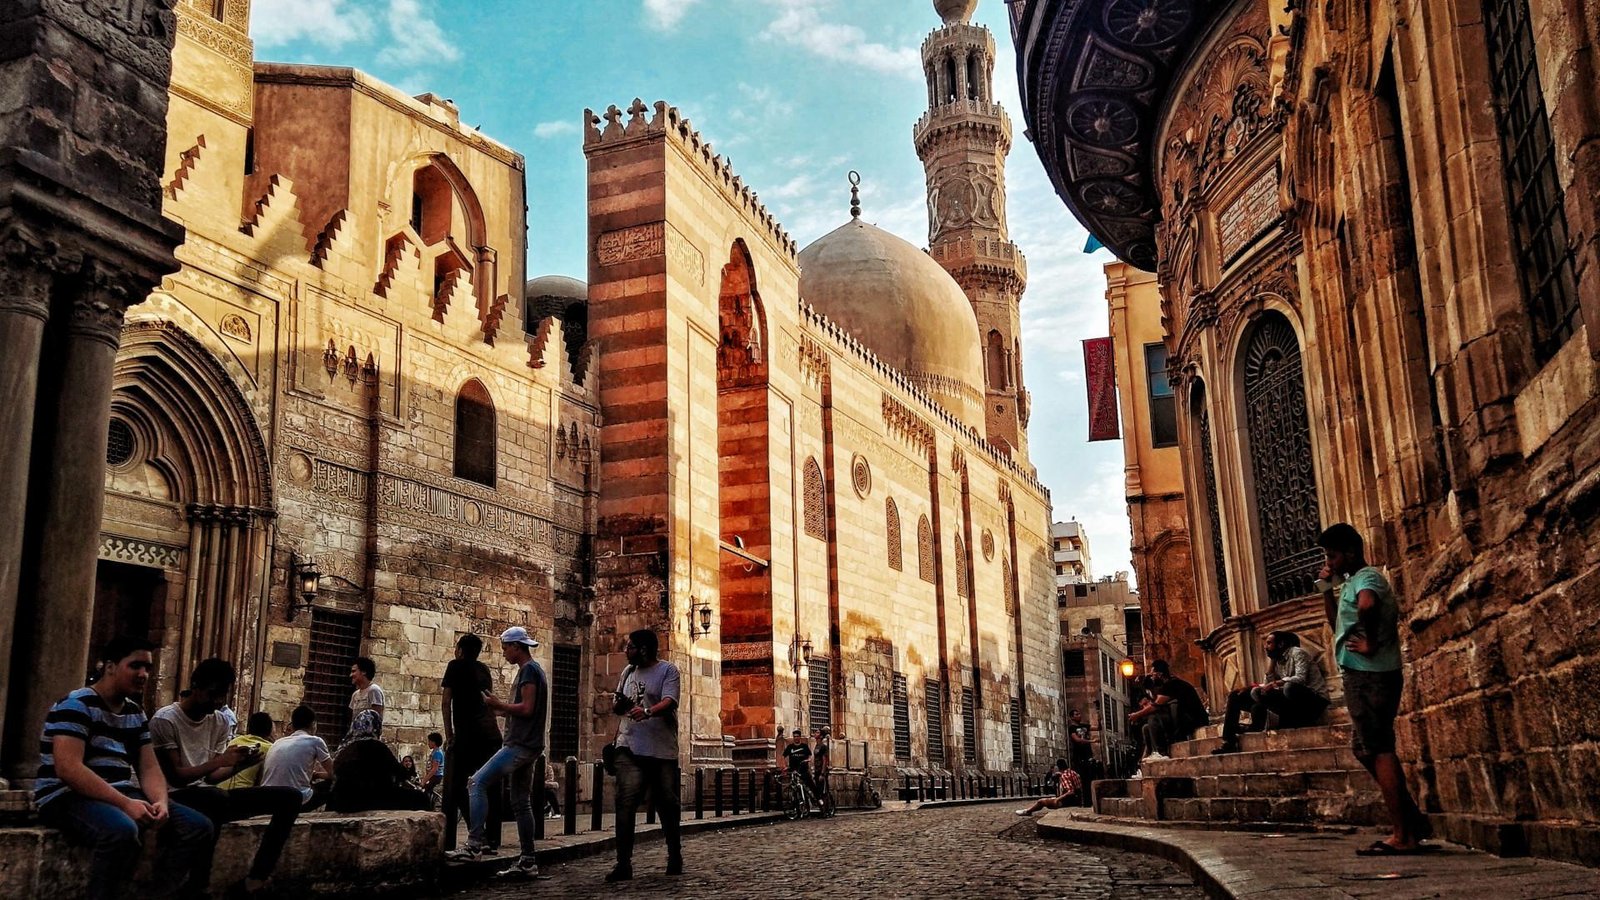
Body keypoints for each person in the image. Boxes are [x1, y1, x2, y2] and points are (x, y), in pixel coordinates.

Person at [34, 636, 214, 900]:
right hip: (67, 795)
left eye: (148, 668)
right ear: (109, 666)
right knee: (121, 831)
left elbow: (149, 768)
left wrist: (161, 802)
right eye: (135, 666)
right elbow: (68, 768)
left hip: (119, 794)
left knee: (198, 826)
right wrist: (125, 804)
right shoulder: (76, 705)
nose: (143, 674)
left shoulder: (134, 713)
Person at [1319, 523, 1433, 856]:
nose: (1330, 562)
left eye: (1333, 556)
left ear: (1350, 553)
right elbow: (1336, 625)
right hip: (1362, 674)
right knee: (1364, 748)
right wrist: (1326, 588)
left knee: (1379, 748)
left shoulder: (1367, 578)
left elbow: (1368, 605)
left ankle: (1403, 835)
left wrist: (1369, 640)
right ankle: (1412, 822)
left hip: (1370, 674)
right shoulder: (1351, 582)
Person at [150, 658, 305, 896]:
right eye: (213, 694)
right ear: (195, 686)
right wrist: (221, 761)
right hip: (175, 796)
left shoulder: (219, 719)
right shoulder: (165, 719)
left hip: (209, 794)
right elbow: (178, 777)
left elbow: (212, 777)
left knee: (291, 797)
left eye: (223, 695)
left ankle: (255, 879)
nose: (218, 701)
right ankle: (198, 884)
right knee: (215, 799)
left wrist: (239, 765)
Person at [444, 626, 550, 881]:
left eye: (505, 648)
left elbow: (526, 708)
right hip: (529, 743)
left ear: (516, 647)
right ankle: (527, 861)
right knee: (521, 803)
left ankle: (473, 846)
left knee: (476, 782)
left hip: (520, 745)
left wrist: (497, 705)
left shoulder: (528, 671)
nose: (503, 653)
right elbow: (523, 710)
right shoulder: (532, 672)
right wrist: (501, 709)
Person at [607, 627, 682, 882]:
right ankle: (623, 864)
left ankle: (674, 855)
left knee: (667, 805)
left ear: (644, 649)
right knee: (625, 803)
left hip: (661, 750)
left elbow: (670, 702)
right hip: (629, 746)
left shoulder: (668, 671)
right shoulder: (628, 671)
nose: (626, 651)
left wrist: (648, 711)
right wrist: (618, 704)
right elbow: (619, 703)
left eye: (630, 647)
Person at [1214, 630, 1330, 754]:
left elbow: (1300, 679)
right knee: (1241, 695)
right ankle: (1229, 740)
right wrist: (1270, 667)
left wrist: (1277, 683)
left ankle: (1293, 720)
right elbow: (1266, 685)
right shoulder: (1277, 660)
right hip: (1290, 700)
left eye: (1269, 643)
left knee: (1289, 688)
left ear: (1280, 645)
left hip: (1314, 701)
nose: (1265, 647)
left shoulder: (1297, 653)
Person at [440, 633, 502, 851]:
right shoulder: (484, 670)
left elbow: (446, 702)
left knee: (457, 786)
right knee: (489, 785)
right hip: (491, 734)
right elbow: (489, 701)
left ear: (459, 650)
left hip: (469, 735)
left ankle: (478, 833)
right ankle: (492, 838)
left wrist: (449, 736)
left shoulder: (454, 666)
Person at [329, 710, 429, 812]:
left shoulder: (345, 747)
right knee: (421, 798)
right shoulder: (375, 746)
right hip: (370, 798)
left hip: (342, 800)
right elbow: (399, 771)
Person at [1127, 660, 1207, 759]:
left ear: (1160, 674)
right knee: (1146, 728)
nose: (1152, 677)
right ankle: (1153, 751)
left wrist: (1136, 715)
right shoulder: (1169, 684)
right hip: (1183, 719)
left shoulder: (1171, 684)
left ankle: (1161, 752)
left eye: (1153, 674)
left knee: (1154, 718)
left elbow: (1155, 706)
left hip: (1193, 719)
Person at [260, 704, 334, 809]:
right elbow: (333, 774)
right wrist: (317, 775)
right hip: (296, 800)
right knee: (336, 783)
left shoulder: (278, 742)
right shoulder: (315, 741)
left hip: (268, 799)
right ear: (313, 724)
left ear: (293, 725)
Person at [217, 712, 276, 790]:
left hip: (220, 789)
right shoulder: (270, 749)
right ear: (270, 731)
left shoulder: (235, 741)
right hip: (243, 793)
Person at [1015, 757, 1082, 816]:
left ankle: (1027, 811)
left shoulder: (1064, 775)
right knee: (1049, 799)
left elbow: (1071, 791)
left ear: (1058, 767)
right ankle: (1028, 810)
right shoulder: (1073, 772)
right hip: (1077, 800)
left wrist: (1057, 799)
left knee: (1041, 802)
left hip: (1067, 802)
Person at [782, 729, 822, 808]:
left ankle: (819, 799)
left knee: (811, 785)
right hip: (794, 770)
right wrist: (786, 766)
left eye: (797, 736)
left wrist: (808, 760)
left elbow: (810, 755)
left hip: (803, 769)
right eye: (794, 736)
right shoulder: (790, 747)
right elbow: (784, 756)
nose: (795, 738)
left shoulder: (804, 746)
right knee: (795, 787)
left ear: (800, 737)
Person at [348, 656, 385, 736]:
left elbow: (377, 719)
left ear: (364, 671)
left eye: (354, 671)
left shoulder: (374, 690)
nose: (351, 675)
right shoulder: (355, 695)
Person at [812, 725, 832, 804]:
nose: (815, 734)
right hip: (817, 770)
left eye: (817, 732)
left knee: (823, 790)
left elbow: (825, 760)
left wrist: (822, 773)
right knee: (818, 791)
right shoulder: (817, 746)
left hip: (821, 771)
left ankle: (825, 809)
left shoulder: (823, 747)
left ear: (820, 736)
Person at [423, 732, 445, 804]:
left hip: (436, 776)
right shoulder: (434, 752)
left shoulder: (437, 753)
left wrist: (425, 780)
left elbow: (434, 769)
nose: (428, 743)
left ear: (433, 742)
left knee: (426, 791)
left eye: (429, 741)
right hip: (434, 776)